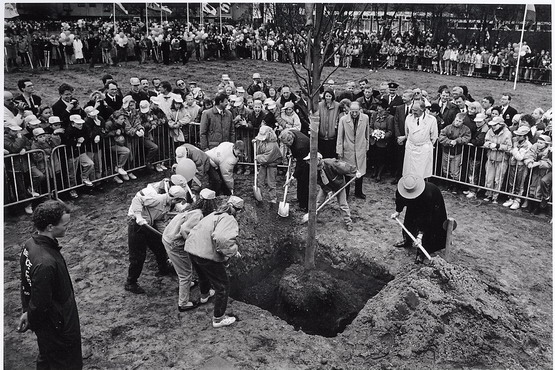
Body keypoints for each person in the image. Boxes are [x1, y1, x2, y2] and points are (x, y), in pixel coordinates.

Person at [18, 200, 82, 369]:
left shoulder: (30, 245)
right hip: (58, 327)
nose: (67, 227)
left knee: (47, 359)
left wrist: (27, 312)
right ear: (50, 227)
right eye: (64, 224)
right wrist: (32, 316)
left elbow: (26, 283)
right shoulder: (46, 262)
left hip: (52, 325)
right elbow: (40, 303)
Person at [185, 196, 244, 328]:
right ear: (237, 210)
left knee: (202, 274)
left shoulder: (214, 214)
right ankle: (218, 319)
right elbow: (222, 239)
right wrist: (232, 252)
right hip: (205, 254)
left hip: (192, 249)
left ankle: (204, 295)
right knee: (223, 286)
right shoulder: (229, 219)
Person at [162, 188, 218, 312]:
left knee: (184, 267)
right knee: (185, 274)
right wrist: (192, 244)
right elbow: (184, 230)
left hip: (168, 236)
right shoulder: (198, 214)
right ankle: (183, 303)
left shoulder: (192, 209)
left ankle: (189, 285)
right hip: (175, 243)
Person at [125, 185, 187, 294]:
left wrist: (166, 234)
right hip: (136, 226)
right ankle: (131, 283)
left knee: (160, 247)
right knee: (138, 257)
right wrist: (139, 216)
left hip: (149, 225)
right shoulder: (157, 199)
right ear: (175, 199)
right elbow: (137, 199)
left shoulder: (167, 206)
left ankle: (163, 269)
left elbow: (160, 220)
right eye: (179, 201)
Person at [391, 175, 448, 264]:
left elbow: (426, 217)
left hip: (432, 203)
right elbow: (400, 201)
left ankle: (421, 252)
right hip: (415, 203)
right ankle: (407, 240)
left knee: (430, 226)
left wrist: (420, 235)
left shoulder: (427, 194)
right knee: (409, 219)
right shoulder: (401, 190)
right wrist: (398, 212)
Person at [307, 152, 361, 231]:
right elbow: (319, 181)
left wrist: (355, 171)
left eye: (311, 160)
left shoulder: (331, 163)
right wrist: (328, 191)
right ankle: (312, 220)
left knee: (343, 204)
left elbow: (344, 167)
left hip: (339, 185)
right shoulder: (313, 169)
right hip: (326, 185)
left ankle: (348, 222)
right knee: (318, 202)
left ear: (318, 160)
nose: (310, 163)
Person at [336, 101, 369, 199]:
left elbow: (366, 133)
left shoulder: (365, 118)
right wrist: (339, 151)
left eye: (356, 112)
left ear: (360, 110)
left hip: (360, 148)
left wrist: (366, 147)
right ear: (349, 110)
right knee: (347, 172)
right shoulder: (343, 119)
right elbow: (340, 136)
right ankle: (346, 192)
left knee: (360, 171)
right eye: (352, 112)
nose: (354, 114)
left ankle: (358, 192)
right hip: (348, 149)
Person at [402, 100, 438, 180]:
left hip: (423, 149)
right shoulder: (408, 118)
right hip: (411, 147)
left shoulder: (431, 120)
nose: (413, 112)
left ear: (423, 110)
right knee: (409, 172)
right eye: (412, 110)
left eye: (416, 110)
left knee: (422, 173)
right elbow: (407, 132)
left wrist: (424, 144)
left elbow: (434, 136)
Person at [438, 113, 471, 193]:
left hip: (457, 153)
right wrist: (449, 142)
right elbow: (441, 136)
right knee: (445, 169)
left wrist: (457, 141)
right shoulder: (448, 127)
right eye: (456, 120)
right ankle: (447, 185)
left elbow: (467, 138)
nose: (457, 122)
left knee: (455, 171)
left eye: (459, 121)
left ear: (462, 121)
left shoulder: (466, 129)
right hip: (446, 151)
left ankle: (455, 187)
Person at [483, 116, 513, 203]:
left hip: (501, 160)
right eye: (492, 125)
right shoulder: (490, 131)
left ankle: (495, 197)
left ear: (501, 125)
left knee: (498, 179)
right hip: (491, 158)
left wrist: (498, 146)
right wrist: (489, 144)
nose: (493, 126)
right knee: (489, 178)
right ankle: (488, 194)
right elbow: (485, 141)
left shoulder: (507, 133)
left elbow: (509, 147)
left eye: (495, 125)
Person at [280, 129, 310, 212]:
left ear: (291, 140)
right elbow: (292, 148)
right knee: (299, 180)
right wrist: (292, 154)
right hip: (301, 157)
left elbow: (301, 165)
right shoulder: (291, 132)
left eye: (286, 144)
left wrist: (292, 177)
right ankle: (300, 199)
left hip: (308, 160)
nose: (286, 146)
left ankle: (305, 206)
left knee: (304, 181)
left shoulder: (301, 146)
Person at [503, 126, 532, 210]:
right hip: (513, 164)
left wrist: (514, 150)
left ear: (525, 136)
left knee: (520, 183)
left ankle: (517, 200)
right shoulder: (516, 142)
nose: (517, 137)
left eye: (520, 135)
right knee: (511, 181)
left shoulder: (528, 145)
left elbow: (520, 157)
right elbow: (510, 151)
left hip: (522, 166)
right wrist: (513, 150)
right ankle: (511, 198)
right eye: (517, 135)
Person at [253, 125, 283, 206]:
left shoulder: (273, 145)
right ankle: (260, 196)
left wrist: (257, 157)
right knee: (260, 180)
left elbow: (267, 158)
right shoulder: (263, 142)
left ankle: (273, 198)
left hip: (271, 165)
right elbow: (259, 151)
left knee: (271, 182)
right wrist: (256, 143)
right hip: (264, 165)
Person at [369, 99, 394, 182]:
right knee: (374, 157)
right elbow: (371, 126)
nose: (378, 109)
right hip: (374, 141)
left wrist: (383, 135)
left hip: (383, 142)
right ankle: (374, 171)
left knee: (381, 158)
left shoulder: (390, 118)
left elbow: (390, 131)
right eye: (378, 107)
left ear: (385, 108)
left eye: (381, 107)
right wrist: (373, 133)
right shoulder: (374, 115)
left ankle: (379, 174)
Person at [318, 89, 341, 159]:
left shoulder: (337, 106)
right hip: (322, 134)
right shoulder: (320, 105)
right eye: (326, 96)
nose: (328, 98)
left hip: (332, 135)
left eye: (329, 96)